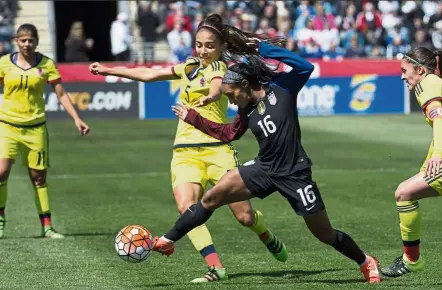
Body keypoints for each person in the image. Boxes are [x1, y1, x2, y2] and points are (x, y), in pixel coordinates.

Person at [155, 38, 381, 284]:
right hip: (264, 168)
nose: (230, 102)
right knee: (211, 198)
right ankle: (168, 241)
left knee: (324, 233)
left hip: (295, 173)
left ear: (244, 85)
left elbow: (305, 67)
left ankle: (365, 261)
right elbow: (228, 134)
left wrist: (263, 49)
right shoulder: (246, 108)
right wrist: (193, 118)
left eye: (231, 96)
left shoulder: (282, 89)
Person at [89, 14, 287, 283]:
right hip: (184, 151)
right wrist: (110, 70)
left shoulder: (222, 69)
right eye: (199, 44)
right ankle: (216, 268)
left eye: (209, 45)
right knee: (187, 208)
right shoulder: (188, 67)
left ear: (221, 47)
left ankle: (265, 234)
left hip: (217, 149)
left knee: (244, 216)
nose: (203, 50)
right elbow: (148, 74)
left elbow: (217, 88)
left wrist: (212, 96)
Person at [0, 24, 90, 239]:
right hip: (7, 126)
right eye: (22, 40)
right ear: (16, 41)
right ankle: (0, 222)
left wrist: (77, 119)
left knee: (38, 178)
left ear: (37, 41)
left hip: (35, 128)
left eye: (30, 40)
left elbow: (60, 94)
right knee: (1, 172)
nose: (27, 44)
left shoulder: (47, 64)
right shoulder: (4, 63)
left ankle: (47, 227)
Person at [380, 48, 442, 277]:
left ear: (420, 69)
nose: (402, 76)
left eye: (404, 71)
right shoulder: (433, 82)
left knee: (404, 193)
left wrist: (438, 155)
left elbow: (439, 118)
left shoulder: (427, 85)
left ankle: (412, 260)